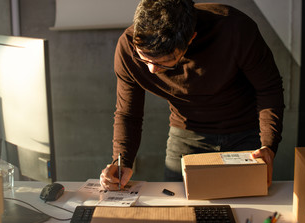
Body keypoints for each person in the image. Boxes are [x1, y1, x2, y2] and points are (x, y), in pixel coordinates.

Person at [100, 0, 284, 190]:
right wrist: (121, 162)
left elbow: (269, 88)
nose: (152, 69)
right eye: (144, 57)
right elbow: (128, 114)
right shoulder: (128, 47)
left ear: (190, 39)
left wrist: (268, 145)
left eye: (165, 62)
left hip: (246, 132)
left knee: (247, 203)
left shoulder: (235, 29)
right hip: (186, 135)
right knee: (177, 204)